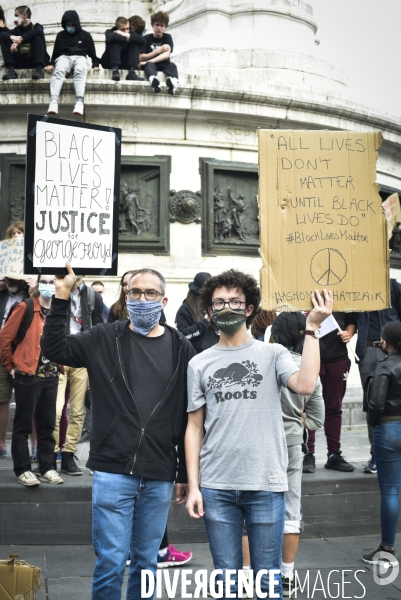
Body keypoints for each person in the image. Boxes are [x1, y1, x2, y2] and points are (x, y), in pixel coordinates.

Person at [41, 263, 195, 599]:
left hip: (159, 472)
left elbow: (188, 417)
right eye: (135, 292)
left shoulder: (182, 347)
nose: (142, 299)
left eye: (150, 293)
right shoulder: (103, 338)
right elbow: (55, 349)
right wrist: (62, 296)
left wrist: (184, 471)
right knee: (111, 562)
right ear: (126, 297)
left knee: (146, 563)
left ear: (164, 301)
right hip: (113, 470)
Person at [185, 269, 332, 598]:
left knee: (268, 581)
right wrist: (193, 485)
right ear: (208, 311)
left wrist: (312, 329)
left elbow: (306, 384)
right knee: (227, 579)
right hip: (216, 485)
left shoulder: (274, 354)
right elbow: (194, 428)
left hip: (266, 483)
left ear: (249, 308)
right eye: (218, 302)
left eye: (235, 302)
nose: (226, 308)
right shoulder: (199, 363)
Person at [271, 312, 325, 597]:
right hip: (293, 443)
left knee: (250, 504)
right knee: (291, 506)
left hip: (264, 441)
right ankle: (287, 575)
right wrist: (301, 422)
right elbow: (318, 419)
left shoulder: (268, 364)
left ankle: (245, 577)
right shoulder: (308, 371)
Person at [0, 275, 64, 486]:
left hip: (51, 375)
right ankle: (23, 469)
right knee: (23, 425)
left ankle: (47, 467)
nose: (48, 286)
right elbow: (4, 338)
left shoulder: (57, 309)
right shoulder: (25, 307)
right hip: (28, 375)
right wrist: (11, 366)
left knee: (47, 424)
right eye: (44, 282)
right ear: (37, 284)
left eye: (52, 282)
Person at [52, 274, 104, 475]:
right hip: (60, 355)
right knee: (56, 410)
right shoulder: (59, 291)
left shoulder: (93, 297)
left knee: (78, 411)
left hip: (83, 357)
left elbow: (99, 327)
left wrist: (95, 363)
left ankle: (68, 454)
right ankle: (53, 452)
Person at [362, 321, 401, 567]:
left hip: (388, 428)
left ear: (384, 342)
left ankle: (387, 550)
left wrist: (374, 424)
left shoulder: (384, 366)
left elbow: (375, 405)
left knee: (390, 491)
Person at [356, 278, 401, 474]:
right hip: (367, 350)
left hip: (392, 349)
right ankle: (376, 454)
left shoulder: (393, 286)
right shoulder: (355, 286)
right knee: (372, 402)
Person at [303, 312, 357, 474]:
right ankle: (307, 453)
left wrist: (349, 333)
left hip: (337, 358)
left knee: (334, 408)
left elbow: (351, 320)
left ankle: (334, 454)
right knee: (306, 408)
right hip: (310, 357)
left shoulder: (341, 293)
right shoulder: (303, 293)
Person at [44, 10, 99, 116]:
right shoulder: (60, 35)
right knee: (59, 70)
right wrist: (51, 63)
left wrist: (95, 64)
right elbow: (55, 53)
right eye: (68, 25)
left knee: (80, 70)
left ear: (76, 24)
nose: (70, 27)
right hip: (64, 56)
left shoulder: (86, 36)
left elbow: (92, 53)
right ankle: (54, 101)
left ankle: (79, 101)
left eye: (72, 25)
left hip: (80, 56)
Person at [0, 275, 31, 458]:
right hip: (2, 353)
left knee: (31, 401)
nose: (10, 282)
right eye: (7, 278)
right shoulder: (3, 294)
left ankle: (34, 447)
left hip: (25, 352)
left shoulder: (32, 294)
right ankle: (1, 444)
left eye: (14, 278)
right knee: (2, 399)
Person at [0, 5, 48, 81]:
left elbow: (38, 31)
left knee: (37, 37)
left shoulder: (36, 26)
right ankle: (11, 71)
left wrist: (20, 39)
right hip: (21, 60)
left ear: (25, 15)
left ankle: (39, 70)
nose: (15, 18)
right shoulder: (17, 30)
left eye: (16, 15)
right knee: (5, 39)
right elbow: (2, 34)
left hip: (34, 59)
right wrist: (12, 37)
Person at [175, 272, 219, 354]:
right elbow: (183, 336)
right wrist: (204, 322)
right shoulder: (185, 309)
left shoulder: (216, 306)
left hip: (217, 355)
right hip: (196, 357)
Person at [139, 11, 179, 95]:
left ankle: (173, 82)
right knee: (149, 66)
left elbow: (166, 55)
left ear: (165, 27)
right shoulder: (146, 38)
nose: (159, 28)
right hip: (151, 66)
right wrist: (158, 51)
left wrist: (147, 61)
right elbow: (141, 57)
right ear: (152, 25)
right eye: (157, 25)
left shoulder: (167, 37)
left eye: (162, 26)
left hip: (164, 64)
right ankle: (153, 80)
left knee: (172, 65)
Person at [101, 16, 144, 82]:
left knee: (135, 43)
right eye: (123, 29)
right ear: (117, 28)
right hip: (109, 62)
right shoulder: (109, 32)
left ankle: (132, 72)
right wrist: (128, 38)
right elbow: (110, 37)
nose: (126, 31)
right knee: (115, 41)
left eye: (127, 29)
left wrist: (127, 35)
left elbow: (143, 40)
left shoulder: (130, 33)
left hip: (124, 62)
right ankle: (115, 70)